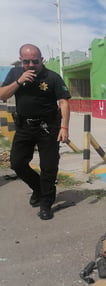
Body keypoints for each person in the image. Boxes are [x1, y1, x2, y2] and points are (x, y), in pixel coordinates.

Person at [0, 43, 71, 220]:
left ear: (41, 60)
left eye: (35, 61)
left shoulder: (52, 77)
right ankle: (38, 188)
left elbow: (64, 102)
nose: (31, 65)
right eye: (26, 62)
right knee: (17, 163)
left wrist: (64, 127)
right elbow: (2, 95)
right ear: (20, 60)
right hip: (24, 126)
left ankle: (46, 202)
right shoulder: (15, 74)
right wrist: (19, 81)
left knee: (49, 166)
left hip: (48, 128)